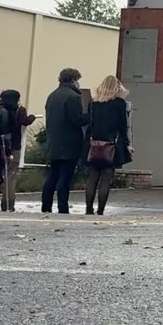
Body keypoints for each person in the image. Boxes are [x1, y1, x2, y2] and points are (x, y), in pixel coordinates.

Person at [42, 68, 88, 214]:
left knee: (52, 176)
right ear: (73, 80)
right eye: (78, 80)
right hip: (68, 144)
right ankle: (63, 207)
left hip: (53, 143)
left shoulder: (52, 96)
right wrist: (91, 115)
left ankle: (46, 206)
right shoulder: (72, 97)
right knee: (65, 177)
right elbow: (77, 120)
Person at [84, 75, 132, 216]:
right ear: (116, 87)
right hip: (110, 145)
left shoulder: (93, 103)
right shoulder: (119, 103)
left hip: (93, 145)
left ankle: (88, 209)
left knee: (92, 178)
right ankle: (100, 210)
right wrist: (127, 144)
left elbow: (90, 124)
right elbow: (123, 126)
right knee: (106, 178)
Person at [0, 90, 36, 212]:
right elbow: (25, 121)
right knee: (11, 176)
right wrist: (32, 117)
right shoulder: (19, 110)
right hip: (14, 147)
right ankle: (8, 204)